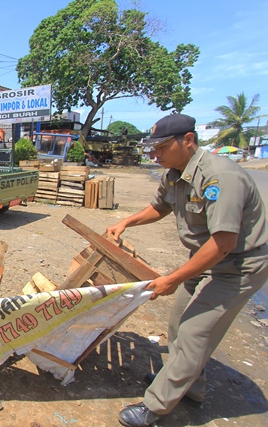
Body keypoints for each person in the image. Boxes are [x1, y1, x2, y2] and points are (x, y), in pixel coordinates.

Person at [106, 114, 268, 427]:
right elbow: (159, 207)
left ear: (189, 140)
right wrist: (125, 221)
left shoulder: (219, 177)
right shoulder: (174, 174)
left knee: (197, 332)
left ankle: (156, 406)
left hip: (237, 265)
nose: (156, 155)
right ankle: (187, 385)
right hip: (204, 259)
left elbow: (222, 244)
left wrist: (173, 278)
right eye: (153, 149)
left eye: (163, 147)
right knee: (179, 323)